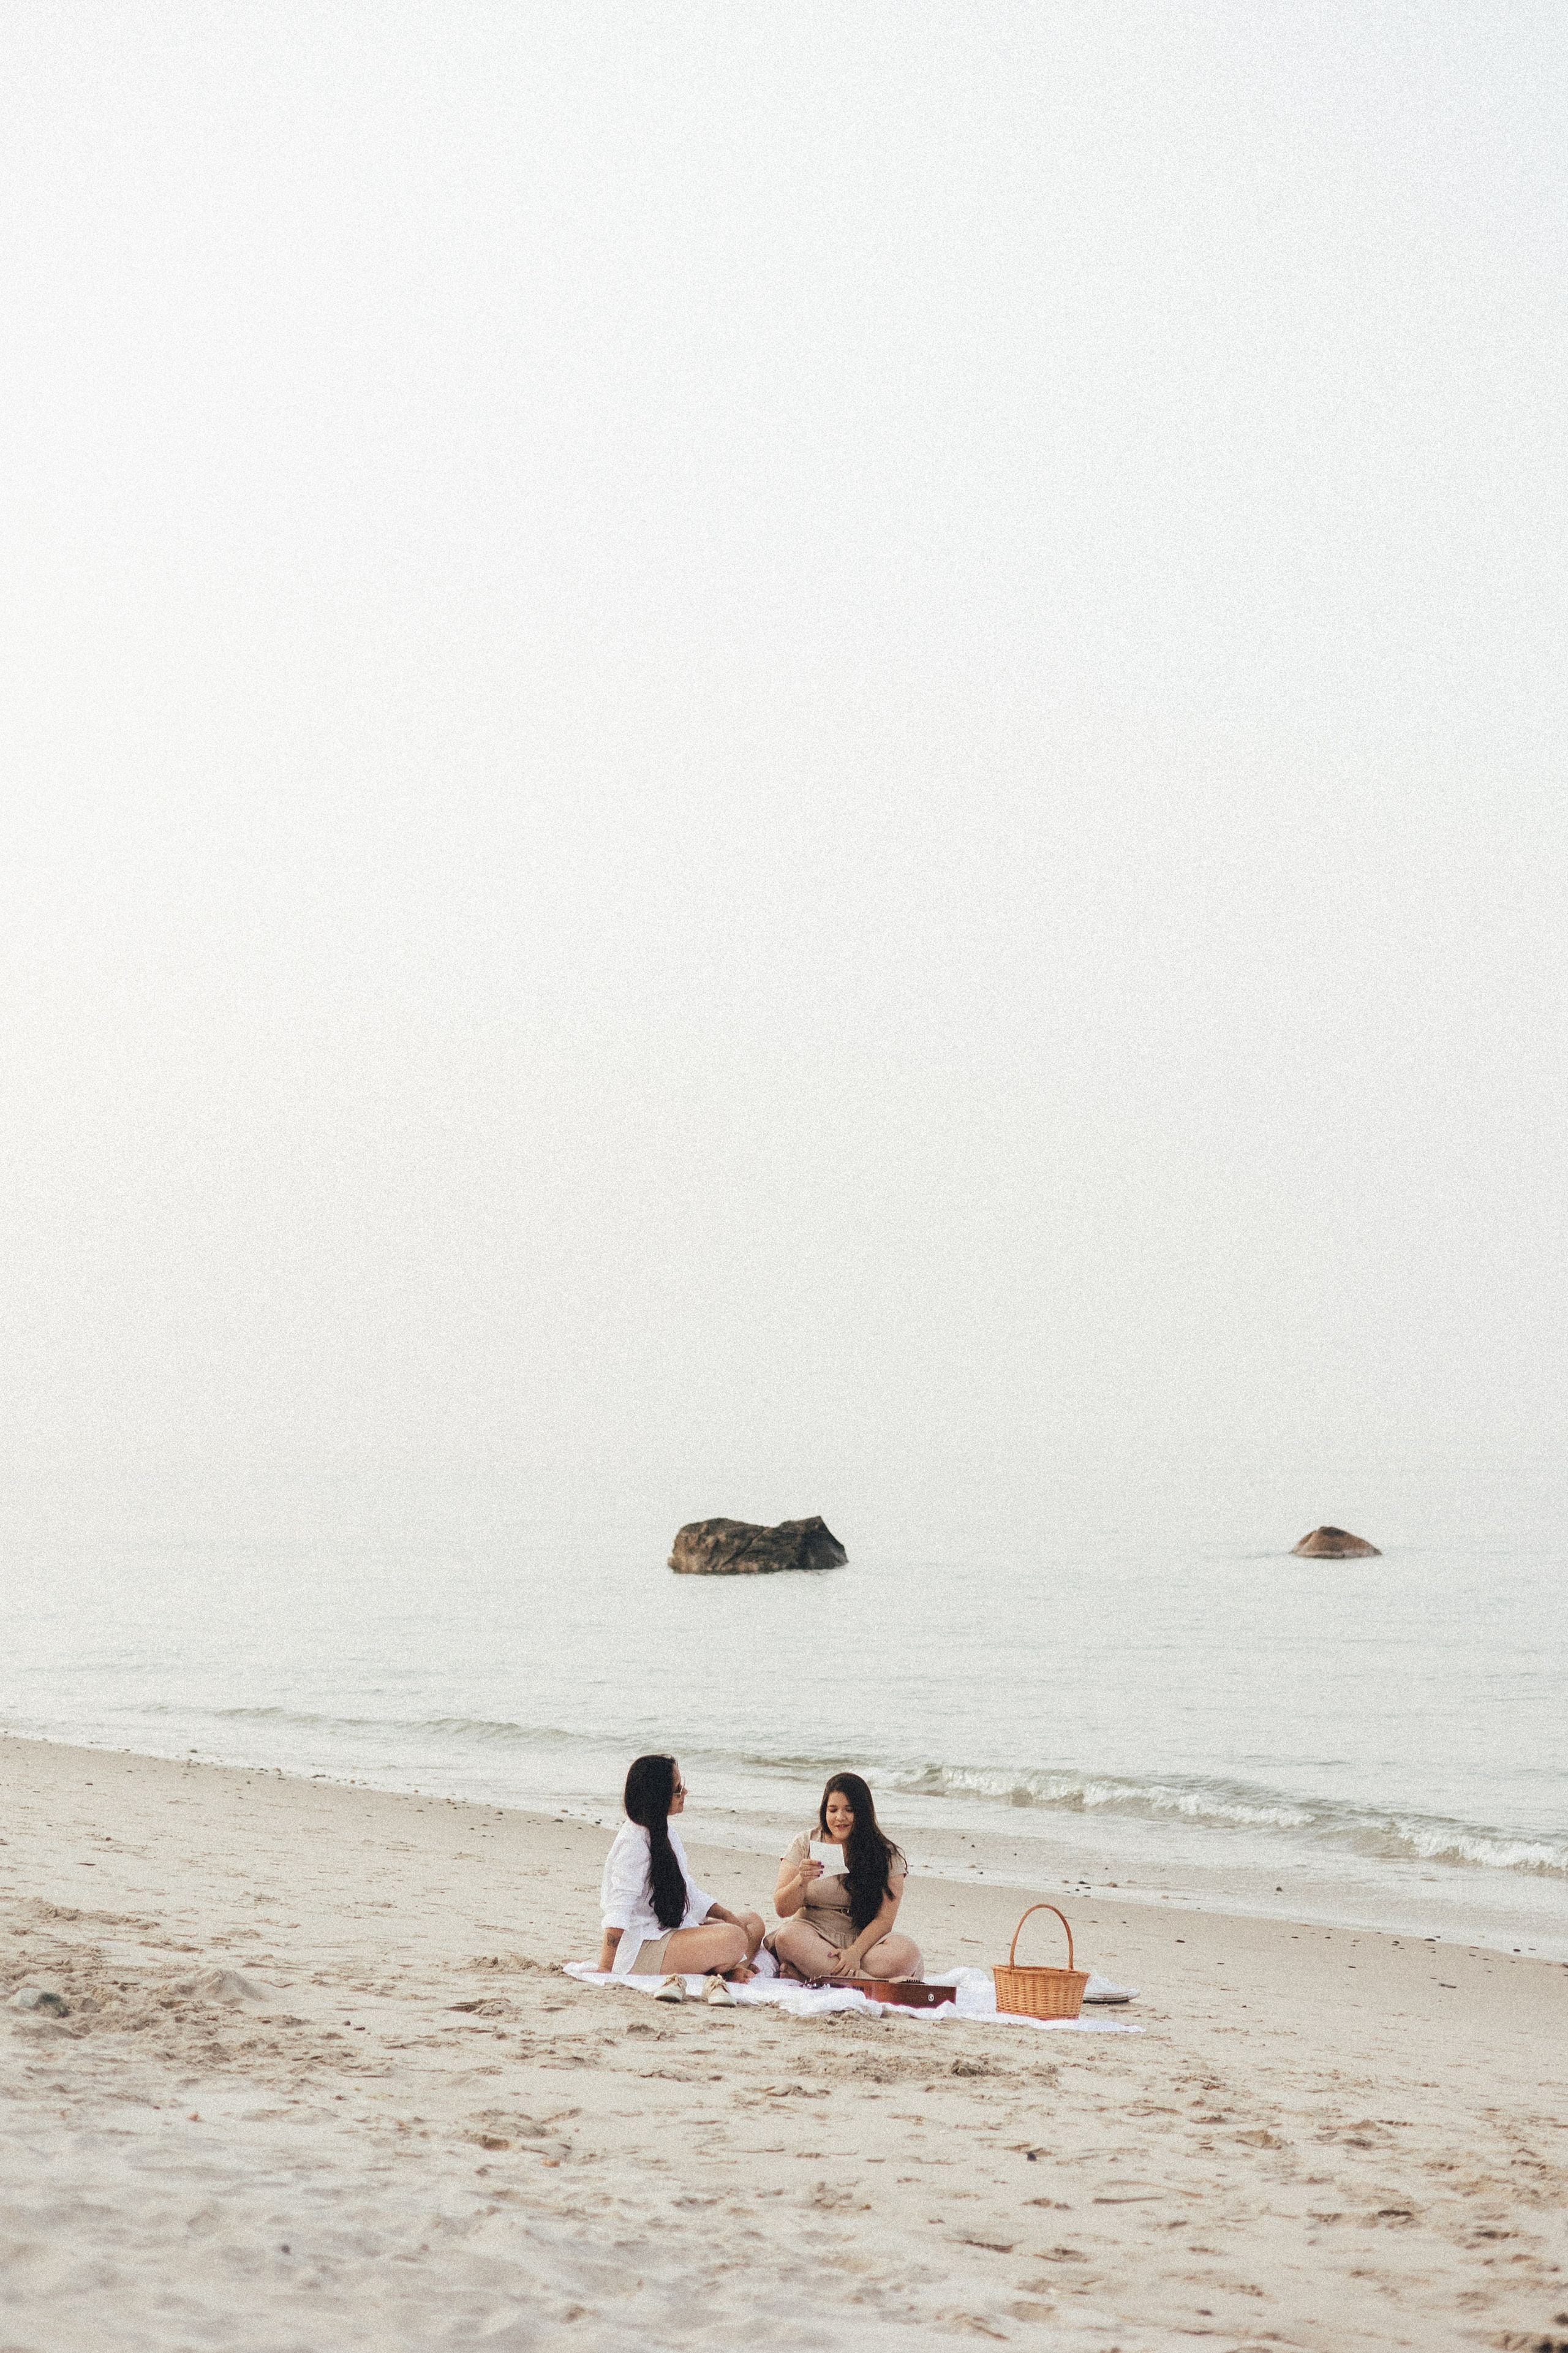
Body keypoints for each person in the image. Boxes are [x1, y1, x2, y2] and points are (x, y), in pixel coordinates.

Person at [598, 1754, 764, 1989]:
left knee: (751, 1923)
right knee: (735, 1938)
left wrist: (727, 1915)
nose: (684, 1793)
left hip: (670, 1932)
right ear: (659, 1796)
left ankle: (730, 1970)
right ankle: (727, 1970)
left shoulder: (665, 1832)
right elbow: (619, 1905)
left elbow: (688, 1891)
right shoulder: (634, 1841)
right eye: (678, 1789)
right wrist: (605, 1968)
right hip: (643, 1949)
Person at [770, 1770, 922, 1982]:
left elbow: (885, 1920)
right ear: (825, 1811)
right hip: (813, 1935)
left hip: (864, 1943)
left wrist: (854, 1953)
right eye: (833, 1810)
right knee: (788, 1937)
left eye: (849, 1810)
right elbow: (782, 1909)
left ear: (863, 1812)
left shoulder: (886, 1853)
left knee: (907, 1952)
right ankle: (874, 1985)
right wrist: (801, 1881)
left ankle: (817, 1975)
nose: (840, 1818)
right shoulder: (805, 1842)